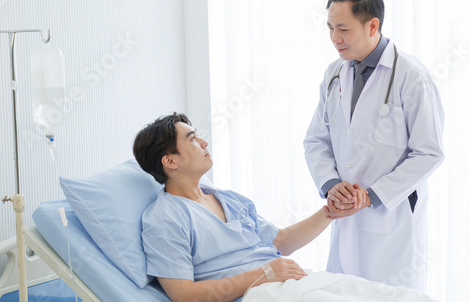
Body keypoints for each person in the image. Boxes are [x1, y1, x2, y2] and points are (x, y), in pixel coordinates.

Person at [133, 112, 367, 302]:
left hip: (292, 284)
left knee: (376, 293)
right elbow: (184, 296)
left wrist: (330, 213)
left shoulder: (229, 200)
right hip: (257, 295)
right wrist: (264, 274)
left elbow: (282, 241)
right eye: (192, 139)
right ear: (170, 161)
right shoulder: (165, 218)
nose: (204, 142)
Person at [303, 0, 444, 291]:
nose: (334, 39)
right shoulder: (334, 74)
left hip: (390, 221)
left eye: (343, 29)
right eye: (329, 28)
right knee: (341, 293)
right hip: (345, 218)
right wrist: (331, 184)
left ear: (372, 25)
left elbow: (429, 153)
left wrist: (372, 195)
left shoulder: (411, 76)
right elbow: (316, 140)